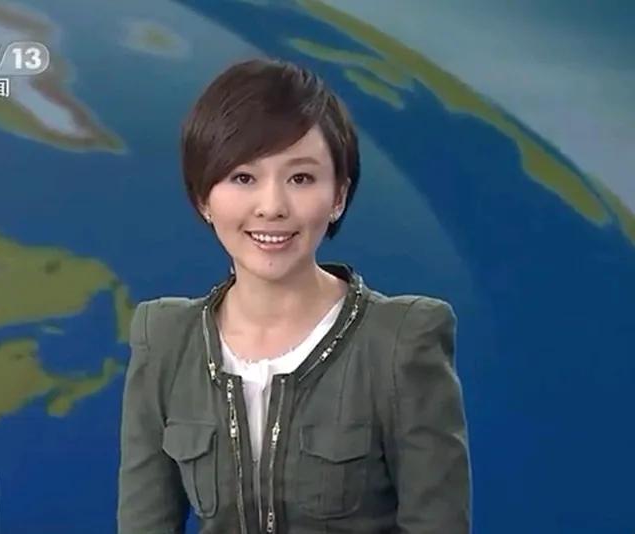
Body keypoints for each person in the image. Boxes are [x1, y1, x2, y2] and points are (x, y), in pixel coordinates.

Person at [117, 58, 471, 534]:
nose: (272, 207)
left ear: (339, 195)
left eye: (300, 178)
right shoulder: (164, 338)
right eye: (243, 177)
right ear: (203, 198)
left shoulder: (402, 338)